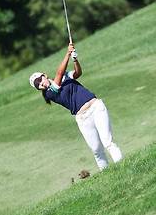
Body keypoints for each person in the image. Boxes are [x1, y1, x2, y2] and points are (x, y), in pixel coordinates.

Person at [29, 43, 123, 171]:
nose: (41, 84)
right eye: (38, 85)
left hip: (95, 107)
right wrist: (67, 53)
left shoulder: (66, 76)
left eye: (40, 79)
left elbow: (78, 73)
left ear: (44, 75)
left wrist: (75, 59)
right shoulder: (50, 93)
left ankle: (123, 167)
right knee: (96, 150)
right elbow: (59, 73)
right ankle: (106, 174)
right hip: (83, 118)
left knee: (108, 142)